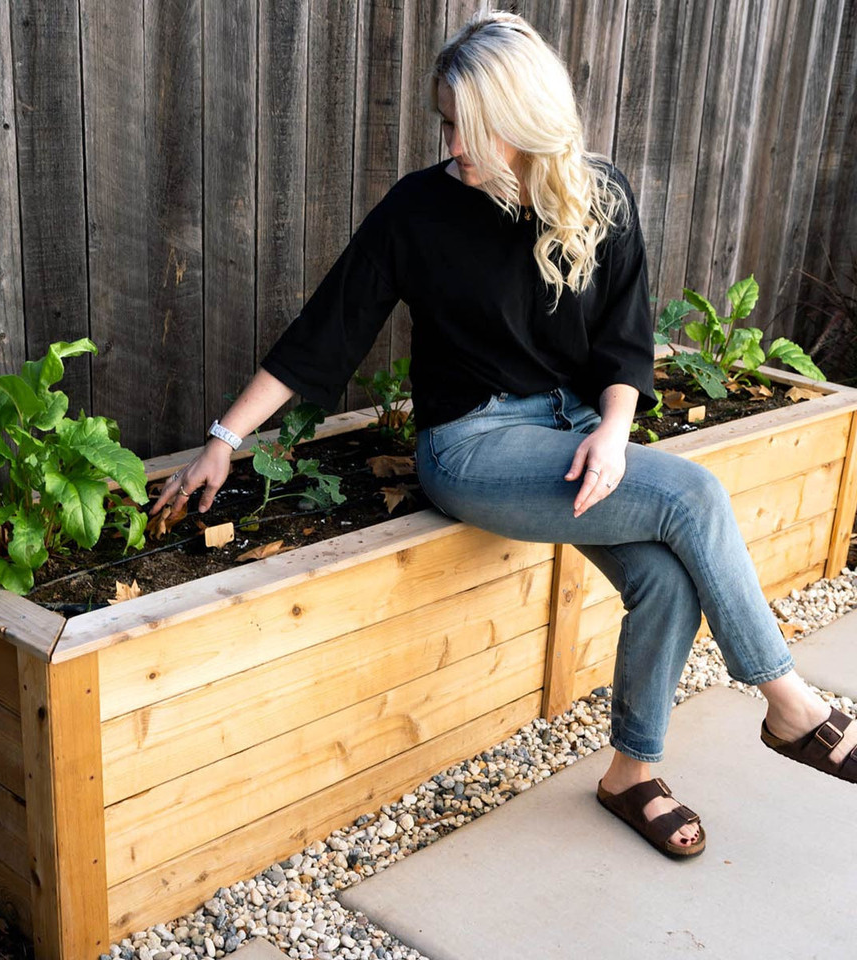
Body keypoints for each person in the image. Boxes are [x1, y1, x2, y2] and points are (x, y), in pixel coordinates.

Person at [153, 10, 856, 856]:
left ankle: (630, 774)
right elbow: (325, 332)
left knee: (667, 579)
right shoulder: (419, 209)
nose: (450, 145)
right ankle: (792, 708)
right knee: (695, 493)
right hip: (474, 446)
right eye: (444, 124)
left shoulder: (599, 196)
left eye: (464, 126)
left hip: (575, 430)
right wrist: (225, 437)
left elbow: (626, 340)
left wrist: (614, 432)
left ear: (517, 123)